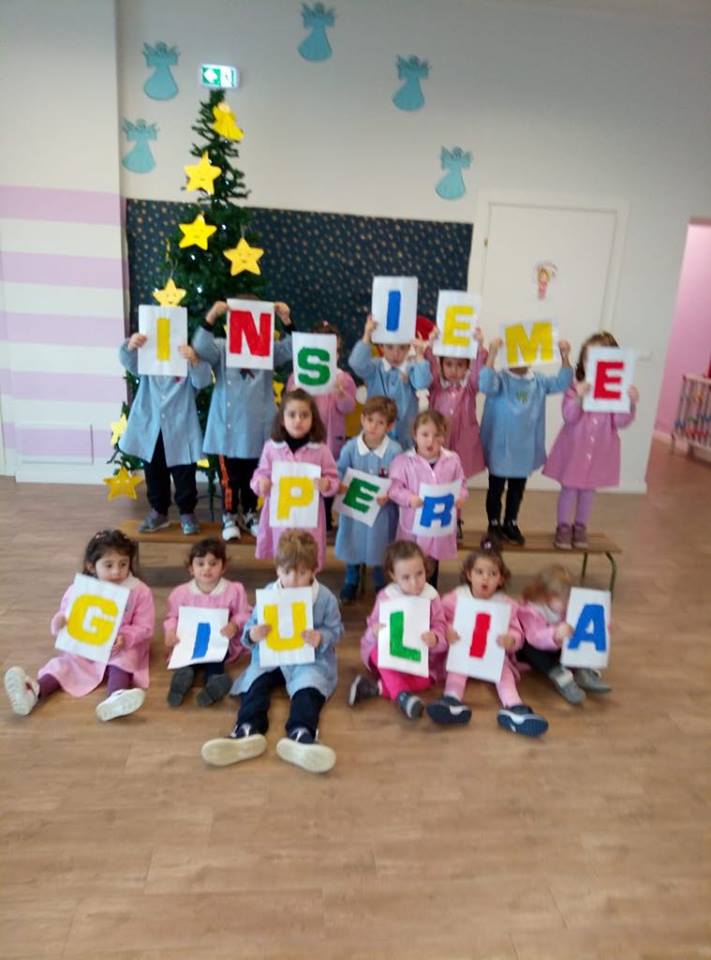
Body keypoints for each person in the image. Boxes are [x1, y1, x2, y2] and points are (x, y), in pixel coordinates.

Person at [201, 531, 342, 774]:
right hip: (272, 658)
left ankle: (301, 734)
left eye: (302, 573)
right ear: (277, 570)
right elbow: (251, 627)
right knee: (256, 683)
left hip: (309, 659)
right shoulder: (269, 594)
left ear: (314, 571)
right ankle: (246, 730)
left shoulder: (325, 598)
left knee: (308, 688)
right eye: (287, 572)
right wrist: (253, 634)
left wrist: (322, 637)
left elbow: (336, 630)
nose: (294, 580)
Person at [4, 530, 153, 721]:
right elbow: (67, 614)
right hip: (87, 644)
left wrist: (125, 637)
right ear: (91, 566)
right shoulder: (79, 590)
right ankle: (34, 691)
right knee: (65, 664)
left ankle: (116, 696)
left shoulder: (139, 591)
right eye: (108, 565)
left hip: (120, 645)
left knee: (123, 660)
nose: (117, 571)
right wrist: (60, 622)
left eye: (123, 564)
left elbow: (145, 626)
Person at [193, 298, 295, 541]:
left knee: (255, 475)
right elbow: (200, 347)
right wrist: (212, 316)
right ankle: (229, 516)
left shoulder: (267, 349)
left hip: (258, 428)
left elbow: (293, 349)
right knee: (230, 480)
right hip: (227, 430)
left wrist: (287, 320)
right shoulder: (222, 348)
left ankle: (250, 513)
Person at [427, 547, 548, 736]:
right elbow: (441, 620)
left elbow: (516, 630)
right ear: (469, 575)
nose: (486, 578)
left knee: (504, 672)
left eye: (493, 574)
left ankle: (515, 706)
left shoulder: (505, 604)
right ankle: (451, 700)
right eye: (479, 572)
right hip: (463, 651)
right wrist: (448, 631)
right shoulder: (455, 599)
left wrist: (511, 639)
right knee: (457, 667)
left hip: (493, 656)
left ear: (501, 579)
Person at [543, 331, 639, 549]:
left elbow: (621, 421)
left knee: (588, 491)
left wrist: (630, 403)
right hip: (575, 450)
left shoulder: (616, 389)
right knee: (569, 489)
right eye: (589, 360)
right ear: (583, 362)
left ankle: (580, 527)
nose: (593, 365)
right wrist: (579, 397)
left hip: (599, 452)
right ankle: (563, 527)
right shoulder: (574, 387)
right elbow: (569, 416)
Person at [479, 336, 573, 546]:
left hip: (524, 448)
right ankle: (493, 524)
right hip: (501, 447)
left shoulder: (538, 380)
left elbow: (562, 382)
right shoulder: (500, 379)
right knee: (495, 489)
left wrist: (565, 356)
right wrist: (492, 353)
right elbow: (485, 384)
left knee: (516, 490)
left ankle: (510, 522)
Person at [118, 330, 212, 535]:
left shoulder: (185, 360)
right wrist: (131, 345)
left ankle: (187, 512)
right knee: (154, 472)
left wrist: (194, 360)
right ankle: (159, 511)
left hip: (181, 427)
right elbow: (128, 360)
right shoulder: (148, 361)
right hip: (151, 427)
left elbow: (203, 381)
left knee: (184, 473)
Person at [349, 541, 448, 720]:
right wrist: (374, 632)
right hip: (390, 656)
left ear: (426, 569)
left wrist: (435, 638)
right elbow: (371, 627)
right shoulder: (386, 597)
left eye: (419, 574)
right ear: (393, 576)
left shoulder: (432, 597)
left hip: (420, 659)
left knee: (428, 680)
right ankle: (402, 697)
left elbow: (441, 626)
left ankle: (377, 688)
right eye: (406, 577)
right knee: (376, 653)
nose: (415, 582)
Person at [251, 389, 339, 571]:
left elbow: (333, 478)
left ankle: (309, 585)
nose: (298, 420)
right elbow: (260, 474)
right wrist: (261, 483)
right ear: (282, 419)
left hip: (309, 519)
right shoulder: (271, 448)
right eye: (292, 415)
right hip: (281, 519)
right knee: (284, 559)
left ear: (313, 419)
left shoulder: (321, 450)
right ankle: (285, 584)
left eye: (304, 415)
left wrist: (327, 484)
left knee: (308, 559)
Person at [163, 538, 251, 707]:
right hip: (190, 643)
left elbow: (244, 612)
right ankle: (181, 680)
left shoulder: (234, 590)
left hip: (218, 641)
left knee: (216, 659)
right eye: (200, 564)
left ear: (223, 567)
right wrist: (170, 631)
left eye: (213, 563)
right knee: (188, 660)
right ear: (191, 568)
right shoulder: (180, 593)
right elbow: (172, 616)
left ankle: (214, 683)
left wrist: (234, 624)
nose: (206, 568)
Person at [286, 321, 357, 531]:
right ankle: (302, 515)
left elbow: (349, 407)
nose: (333, 356)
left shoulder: (343, 379)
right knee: (304, 474)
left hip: (330, 438)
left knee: (328, 475)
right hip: (304, 438)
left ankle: (325, 517)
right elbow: (288, 407)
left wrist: (340, 393)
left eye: (336, 351)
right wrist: (294, 392)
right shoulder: (298, 376)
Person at [388, 410, 467, 588]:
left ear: (444, 436)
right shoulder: (403, 461)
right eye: (425, 434)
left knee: (431, 562)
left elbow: (461, 484)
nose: (430, 441)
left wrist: (461, 497)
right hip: (413, 525)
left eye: (437, 435)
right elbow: (394, 489)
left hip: (438, 524)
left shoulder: (452, 460)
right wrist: (410, 498)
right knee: (410, 560)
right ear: (415, 434)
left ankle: (430, 592)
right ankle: (409, 592)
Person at [335, 396, 401, 603]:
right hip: (354, 510)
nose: (373, 426)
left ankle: (380, 579)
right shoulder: (351, 448)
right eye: (370, 420)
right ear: (362, 419)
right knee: (352, 541)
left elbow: (399, 479)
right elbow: (339, 470)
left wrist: (390, 494)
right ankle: (351, 578)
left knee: (381, 545)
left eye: (380, 422)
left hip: (382, 511)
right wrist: (339, 483)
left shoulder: (394, 451)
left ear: (389, 426)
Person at [517, 564, 612, 703]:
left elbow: (580, 627)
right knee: (529, 646)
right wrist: (555, 634)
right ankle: (560, 675)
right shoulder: (530, 611)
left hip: (555, 647)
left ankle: (582, 671)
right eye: (565, 599)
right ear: (547, 597)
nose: (569, 603)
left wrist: (601, 626)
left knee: (574, 635)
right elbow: (534, 637)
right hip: (534, 651)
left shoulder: (564, 608)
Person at [349, 314, 431, 449]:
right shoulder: (375, 367)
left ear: (409, 348)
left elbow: (422, 382)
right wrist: (367, 336)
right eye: (390, 347)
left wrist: (420, 356)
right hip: (374, 437)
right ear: (382, 346)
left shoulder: (411, 369)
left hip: (403, 438)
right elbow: (356, 364)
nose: (395, 354)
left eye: (402, 348)